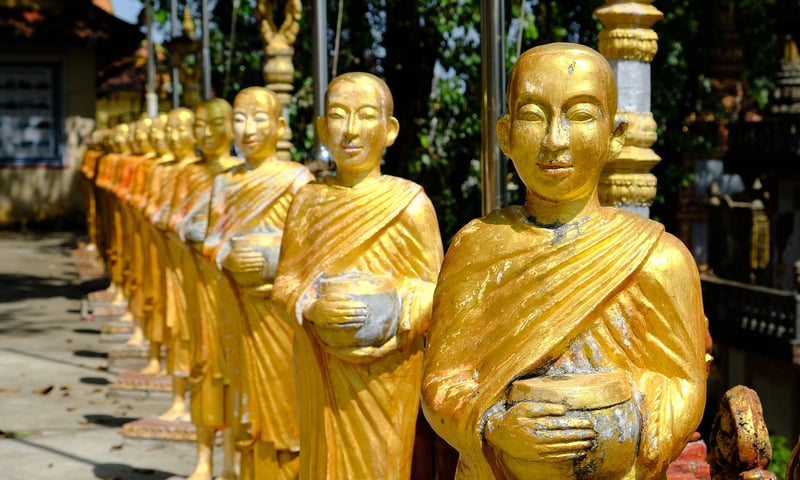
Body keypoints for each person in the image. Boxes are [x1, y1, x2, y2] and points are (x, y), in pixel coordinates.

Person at [421, 43, 709, 479]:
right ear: (505, 134)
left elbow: (684, 384)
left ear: (615, 135)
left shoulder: (659, 259)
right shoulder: (477, 248)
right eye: (533, 115)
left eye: (581, 115)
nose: (554, 140)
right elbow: (442, 382)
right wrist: (493, 424)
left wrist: (619, 426)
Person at [272, 72, 444, 479]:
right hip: (320, 366)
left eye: (366, 115)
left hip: (388, 374)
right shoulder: (308, 201)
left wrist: (388, 308)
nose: (350, 130)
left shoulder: (410, 205)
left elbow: (439, 297)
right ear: (321, 129)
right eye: (338, 115)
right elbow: (284, 284)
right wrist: (310, 305)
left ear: (390, 130)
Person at [203, 86, 313, 479]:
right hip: (238, 308)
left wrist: (270, 259)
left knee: (285, 407)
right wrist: (227, 255)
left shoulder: (296, 179)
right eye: (239, 119)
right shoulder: (225, 182)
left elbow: (309, 249)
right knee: (245, 405)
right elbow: (211, 241)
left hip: (279, 314)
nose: (248, 129)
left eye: (259, 118)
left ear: (280, 127)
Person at [168, 99, 242, 480]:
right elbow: (174, 220)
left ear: (231, 127)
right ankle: (203, 459)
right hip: (199, 284)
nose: (207, 133)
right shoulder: (188, 174)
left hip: (236, 290)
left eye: (215, 124)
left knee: (236, 375)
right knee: (205, 369)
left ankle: (232, 462)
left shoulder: (241, 176)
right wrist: (194, 230)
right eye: (200, 125)